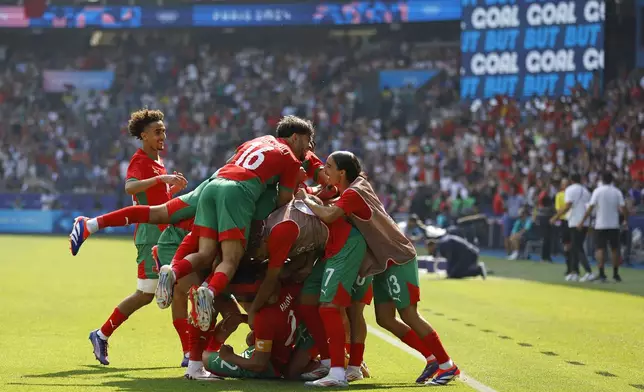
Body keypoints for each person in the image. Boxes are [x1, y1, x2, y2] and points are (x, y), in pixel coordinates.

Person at [298, 151, 459, 386]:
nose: (325, 171)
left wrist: (308, 200)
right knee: (385, 319)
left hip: (398, 257)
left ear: (342, 173)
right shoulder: (356, 186)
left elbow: (331, 215)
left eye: (330, 167)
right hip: (383, 261)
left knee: (409, 314)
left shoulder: (353, 192)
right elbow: (336, 204)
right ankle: (432, 358)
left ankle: (447, 365)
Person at [158, 115, 314, 332]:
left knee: (205, 252)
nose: (309, 147)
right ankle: (209, 292)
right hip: (237, 192)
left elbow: (232, 160)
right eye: (308, 141)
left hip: (213, 184)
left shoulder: (259, 140)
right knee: (231, 258)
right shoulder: (290, 158)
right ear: (295, 137)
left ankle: (172, 271)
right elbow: (284, 201)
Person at [75, 109, 188, 366]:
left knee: (177, 288)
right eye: (157, 132)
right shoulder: (141, 160)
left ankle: (188, 352)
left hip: (163, 231)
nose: (163, 136)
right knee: (150, 292)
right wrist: (161, 178)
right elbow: (131, 187)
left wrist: (171, 188)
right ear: (144, 135)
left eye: (164, 131)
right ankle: (102, 334)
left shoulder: (157, 160)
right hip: (150, 234)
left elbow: (156, 199)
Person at [579, 172, 628, 283]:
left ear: (602, 179)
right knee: (615, 249)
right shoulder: (616, 192)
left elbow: (590, 207)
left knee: (600, 249)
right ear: (612, 180)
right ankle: (615, 274)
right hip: (614, 224)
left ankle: (602, 274)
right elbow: (623, 207)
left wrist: (582, 221)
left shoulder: (597, 191)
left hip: (600, 224)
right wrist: (625, 220)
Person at [550, 173, 594, 282]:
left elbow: (568, 205)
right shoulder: (586, 191)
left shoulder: (570, 190)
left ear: (571, 180)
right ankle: (574, 272)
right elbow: (589, 208)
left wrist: (555, 217)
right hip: (584, 221)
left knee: (577, 247)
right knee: (575, 247)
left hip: (575, 221)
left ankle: (589, 272)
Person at [554, 178, 572, 275]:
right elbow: (558, 209)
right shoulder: (559, 195)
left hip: (573, 220)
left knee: (573, 245)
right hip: (564, 221)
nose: (565, 186)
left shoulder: (572, 194)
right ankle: (569, 267)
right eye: (564, 184)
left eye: (567, 184)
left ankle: (574, 268)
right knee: (567, 245)